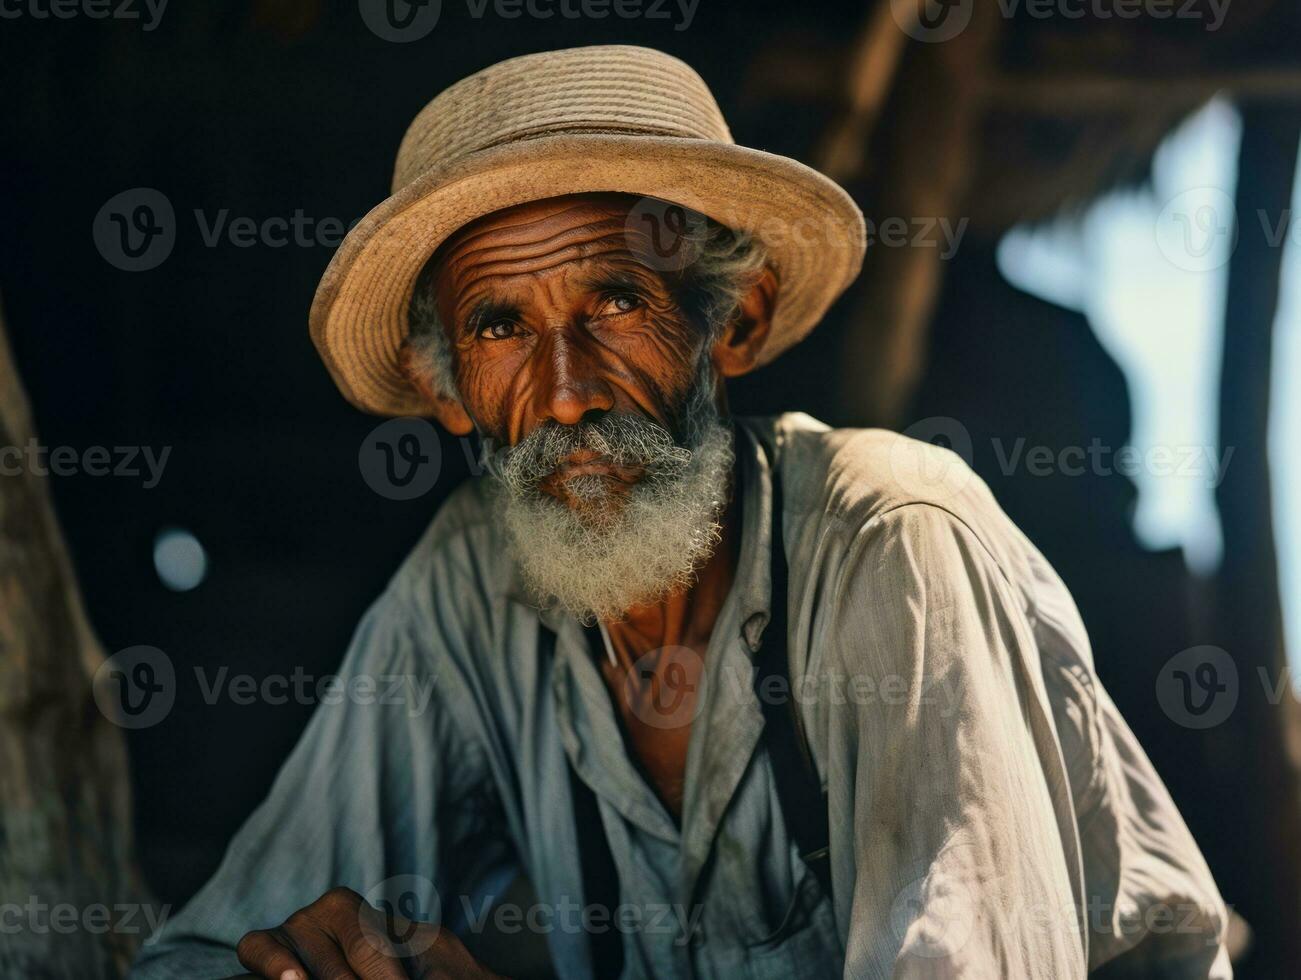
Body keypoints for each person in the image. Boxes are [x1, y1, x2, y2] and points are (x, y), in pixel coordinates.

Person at [132, 45, 1229, 979]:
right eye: (501, 328)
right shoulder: (470, 590)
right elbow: (193, 956)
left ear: (732, 323)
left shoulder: (892, 544)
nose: (564, 392)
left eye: (614, 301)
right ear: (449, 391)